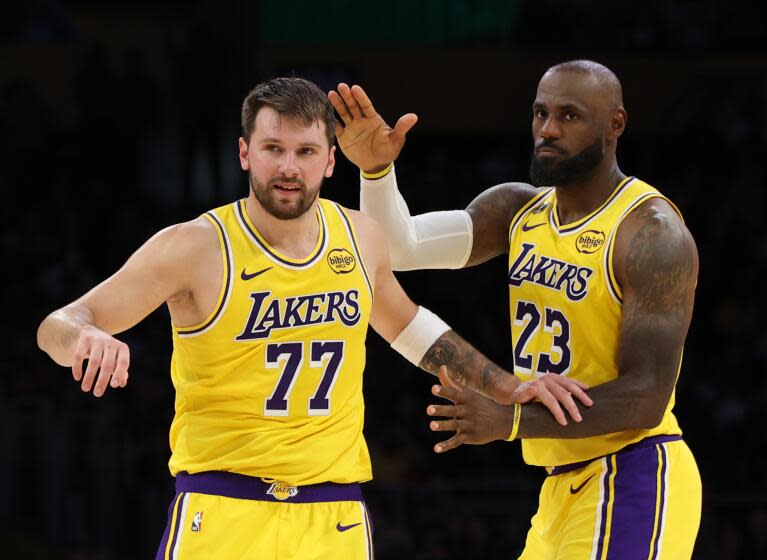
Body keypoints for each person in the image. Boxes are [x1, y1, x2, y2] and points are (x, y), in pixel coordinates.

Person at [36, 77, 590, 559]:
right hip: (223, 507)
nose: (288, 167)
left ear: (330, 158)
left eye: (305, 151)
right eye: (273, 148)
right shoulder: (194, 246)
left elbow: (414, 329)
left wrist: (507, 386)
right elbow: (58, 323)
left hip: (334, 515)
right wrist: (84, 336)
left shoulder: (358, 235)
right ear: (244, 153)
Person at [330, 59, 701, 559]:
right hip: (557, 488)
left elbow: (648, 394)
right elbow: (399, 248)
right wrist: (376, 172)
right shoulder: (517, 209)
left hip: (632, 473)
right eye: (540, 113)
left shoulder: (651, 232)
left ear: (616, 124)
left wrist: (511, 421)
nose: (547, 130)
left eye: (569, 116)